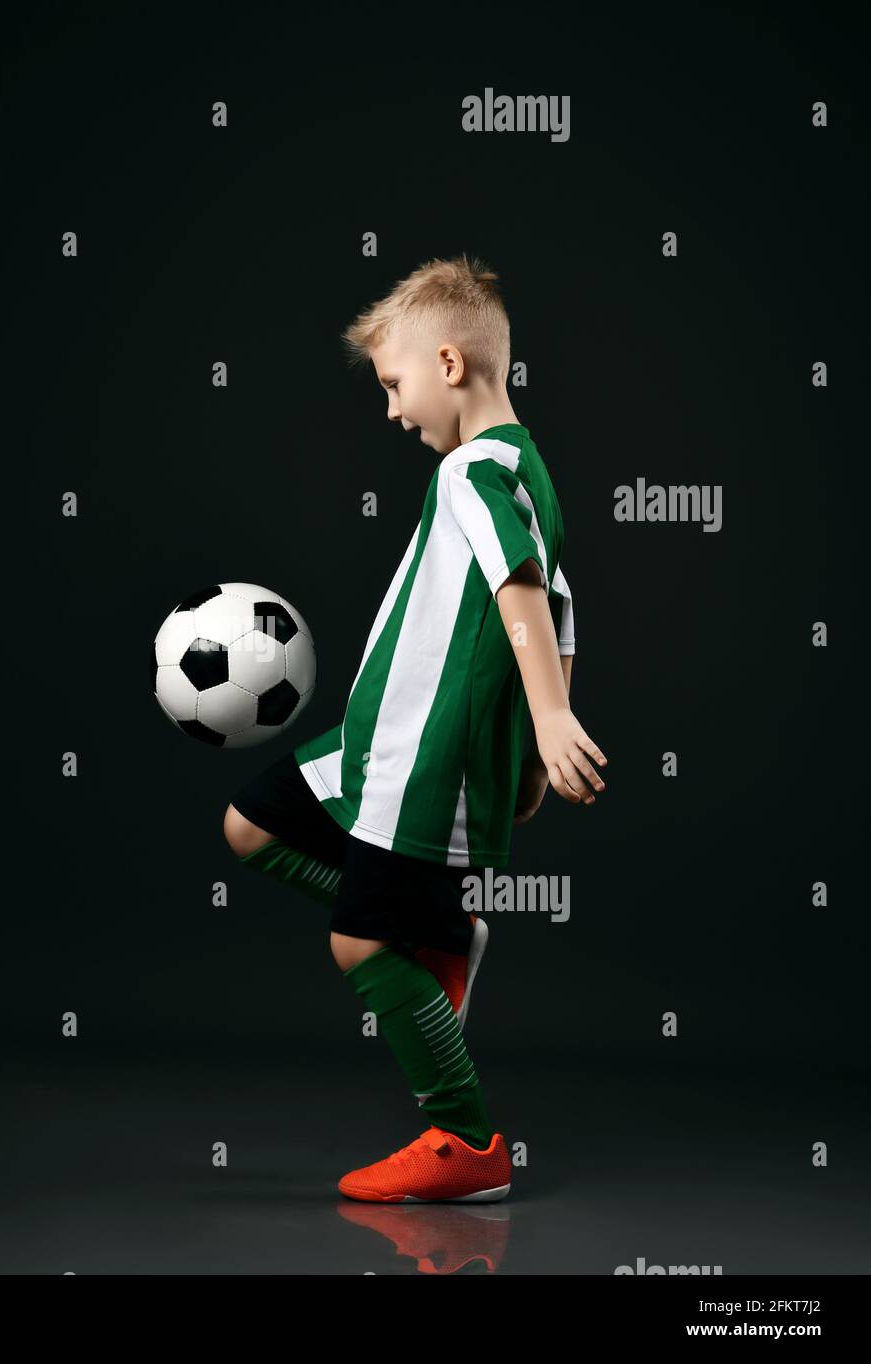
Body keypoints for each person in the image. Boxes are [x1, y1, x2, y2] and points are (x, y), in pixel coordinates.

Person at [223, 253, 607, 1203]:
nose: (392, 411)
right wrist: (530, 756)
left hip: (423, 761)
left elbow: (525, 587)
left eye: (394, 384)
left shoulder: (477, 469)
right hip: (377, 742)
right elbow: (562, 609)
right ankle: (436, 933)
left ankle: (465, 1140)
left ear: (449, 364)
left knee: (356, 945)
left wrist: (549, 719)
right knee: (250, 827)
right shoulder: (524, 471)